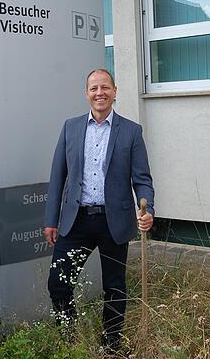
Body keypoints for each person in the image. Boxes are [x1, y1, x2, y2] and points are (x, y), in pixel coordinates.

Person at [44, 68, 155, 354]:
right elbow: (58, 176)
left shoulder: (130, 131)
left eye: (105, 87)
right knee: (58, 283)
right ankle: (68, 338)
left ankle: (111, 345)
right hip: (76, 220)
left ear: (115, 92)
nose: (99, 93)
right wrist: (50, 220)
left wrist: (147, 208)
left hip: (113, 221)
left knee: (115, 288)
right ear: (87, 94)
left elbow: (142, 179)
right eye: (94, 88)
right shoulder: (71, 127)